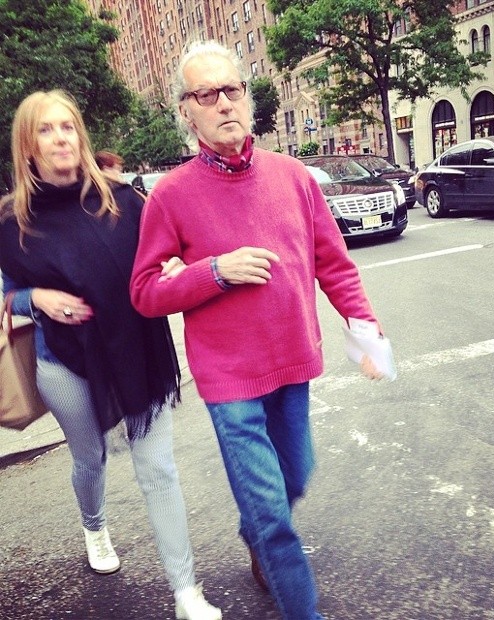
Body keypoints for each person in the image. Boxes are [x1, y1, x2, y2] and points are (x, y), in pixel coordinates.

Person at [129, 41, 389, 620]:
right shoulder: (169, 195)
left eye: (232, 89)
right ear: (186, 111)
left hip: (292, 362)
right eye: (207, 94)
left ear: (247, 97)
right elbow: (145, 292)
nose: (224, 103)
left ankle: (254, 532)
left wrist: (365, 328)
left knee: (296, 476)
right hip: (230, 381)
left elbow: (333, 263)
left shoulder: (293, 176)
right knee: (275, 518)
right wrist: (214, 272)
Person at [0, 90, 221, 620]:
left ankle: (186, 592)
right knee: (89, 458)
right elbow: (6, 293)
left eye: (68, 126)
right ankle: (94, 525)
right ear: (27, 147)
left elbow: (167, 256)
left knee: (158, 470)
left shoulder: (123, 201)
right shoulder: (11, 224)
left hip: (139, 352)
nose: (61, 138)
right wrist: (36, 298)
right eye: (46, 129)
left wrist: (173, 268)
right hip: (64, 363)